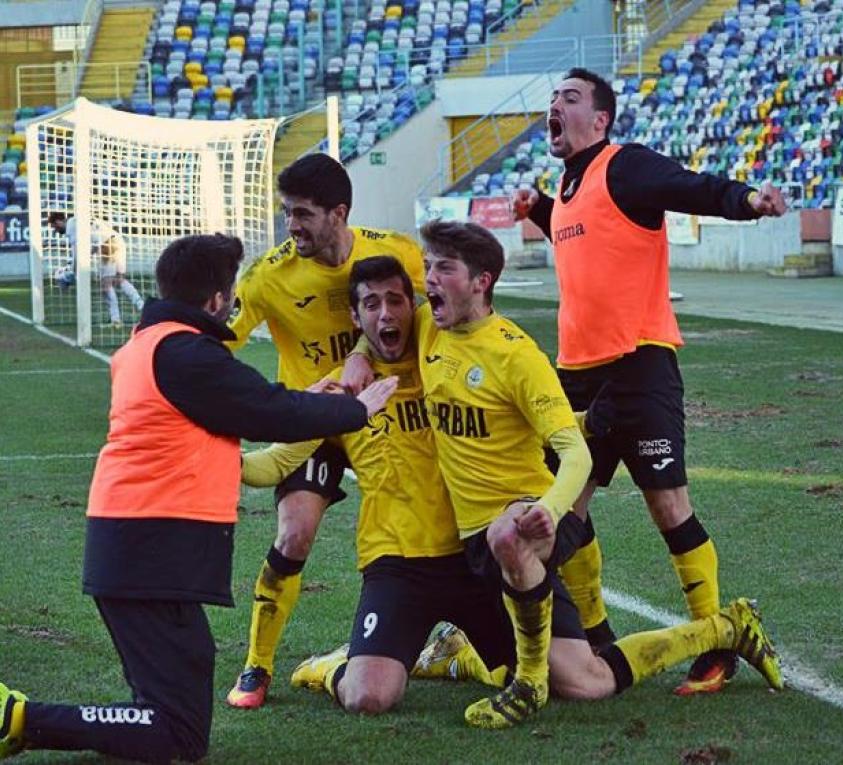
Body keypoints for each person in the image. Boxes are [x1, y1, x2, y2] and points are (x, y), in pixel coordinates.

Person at [344, 221, 783, 729]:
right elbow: (378, 326)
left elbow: (575, 454)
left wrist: (547, 511)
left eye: (444, 268)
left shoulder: (516, 354)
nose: (430, 280)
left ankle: (527, 685)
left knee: (507, 534)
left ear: (481, 281)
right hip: (479, 545)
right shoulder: (427, 326)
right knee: (586, 682)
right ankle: (725, 627)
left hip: (529, 522)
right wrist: (357, 356)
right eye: (428, 267)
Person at [0, 234, 397, 762]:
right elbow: (263, 411)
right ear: (214, 299)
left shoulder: (153, 345)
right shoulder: (185, 351)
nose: (233, 303)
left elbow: (250, 409)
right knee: (177, 733)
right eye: (230, 292)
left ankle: (26, 720)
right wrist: (355, 411)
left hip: (138, 550)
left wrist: (307, 399)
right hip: (149, 553)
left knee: (170, 711)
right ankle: (20, 718)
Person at [511, 68, 788, 696]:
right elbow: (583, 235)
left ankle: (714, 641)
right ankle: (598, 633)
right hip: (577, 374)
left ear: (601, 120)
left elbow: (688, 187)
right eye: (553, 98)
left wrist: (747, 201)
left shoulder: (624, 165)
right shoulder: (571, 183)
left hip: (639, 365)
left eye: (570, 98)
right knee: (568, 506)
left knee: (668, 507)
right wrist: (542, 210)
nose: (555, 105)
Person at [241, 255, 517, 714]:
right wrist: (213, 458)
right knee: (369, 697)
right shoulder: (340, 393)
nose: (386, 313)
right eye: (371, 304)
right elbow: (275, 462)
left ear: (415, 306)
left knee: (535, 673)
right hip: (397, 564)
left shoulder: (446, 361)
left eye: (395, 300)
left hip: (473, 553)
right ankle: (329, 667)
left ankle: (458, 657)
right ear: (355, 316)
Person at [224, 153, 426, 709]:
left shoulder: (397, 254)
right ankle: (256, 666)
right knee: (294, 534)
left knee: (433, 522)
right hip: (311, 424)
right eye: (287, 212)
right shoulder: (269, 277)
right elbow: (222, 342)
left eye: (303, 214)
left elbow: (436, 318)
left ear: (339, 214)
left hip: (382, 417)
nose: (292, 225)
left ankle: (425, 634)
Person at [47, 212, 145, 328]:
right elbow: (92, 245)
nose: (56, 231)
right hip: (117, 240)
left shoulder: (71, 227)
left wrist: (72, 272)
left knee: (106, 285)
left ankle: (116, 320)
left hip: (107, 245)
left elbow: (77, 254)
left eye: (55, 227)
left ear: (58, 221)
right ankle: (142, 306)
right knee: (119, 280)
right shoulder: (78, 220)